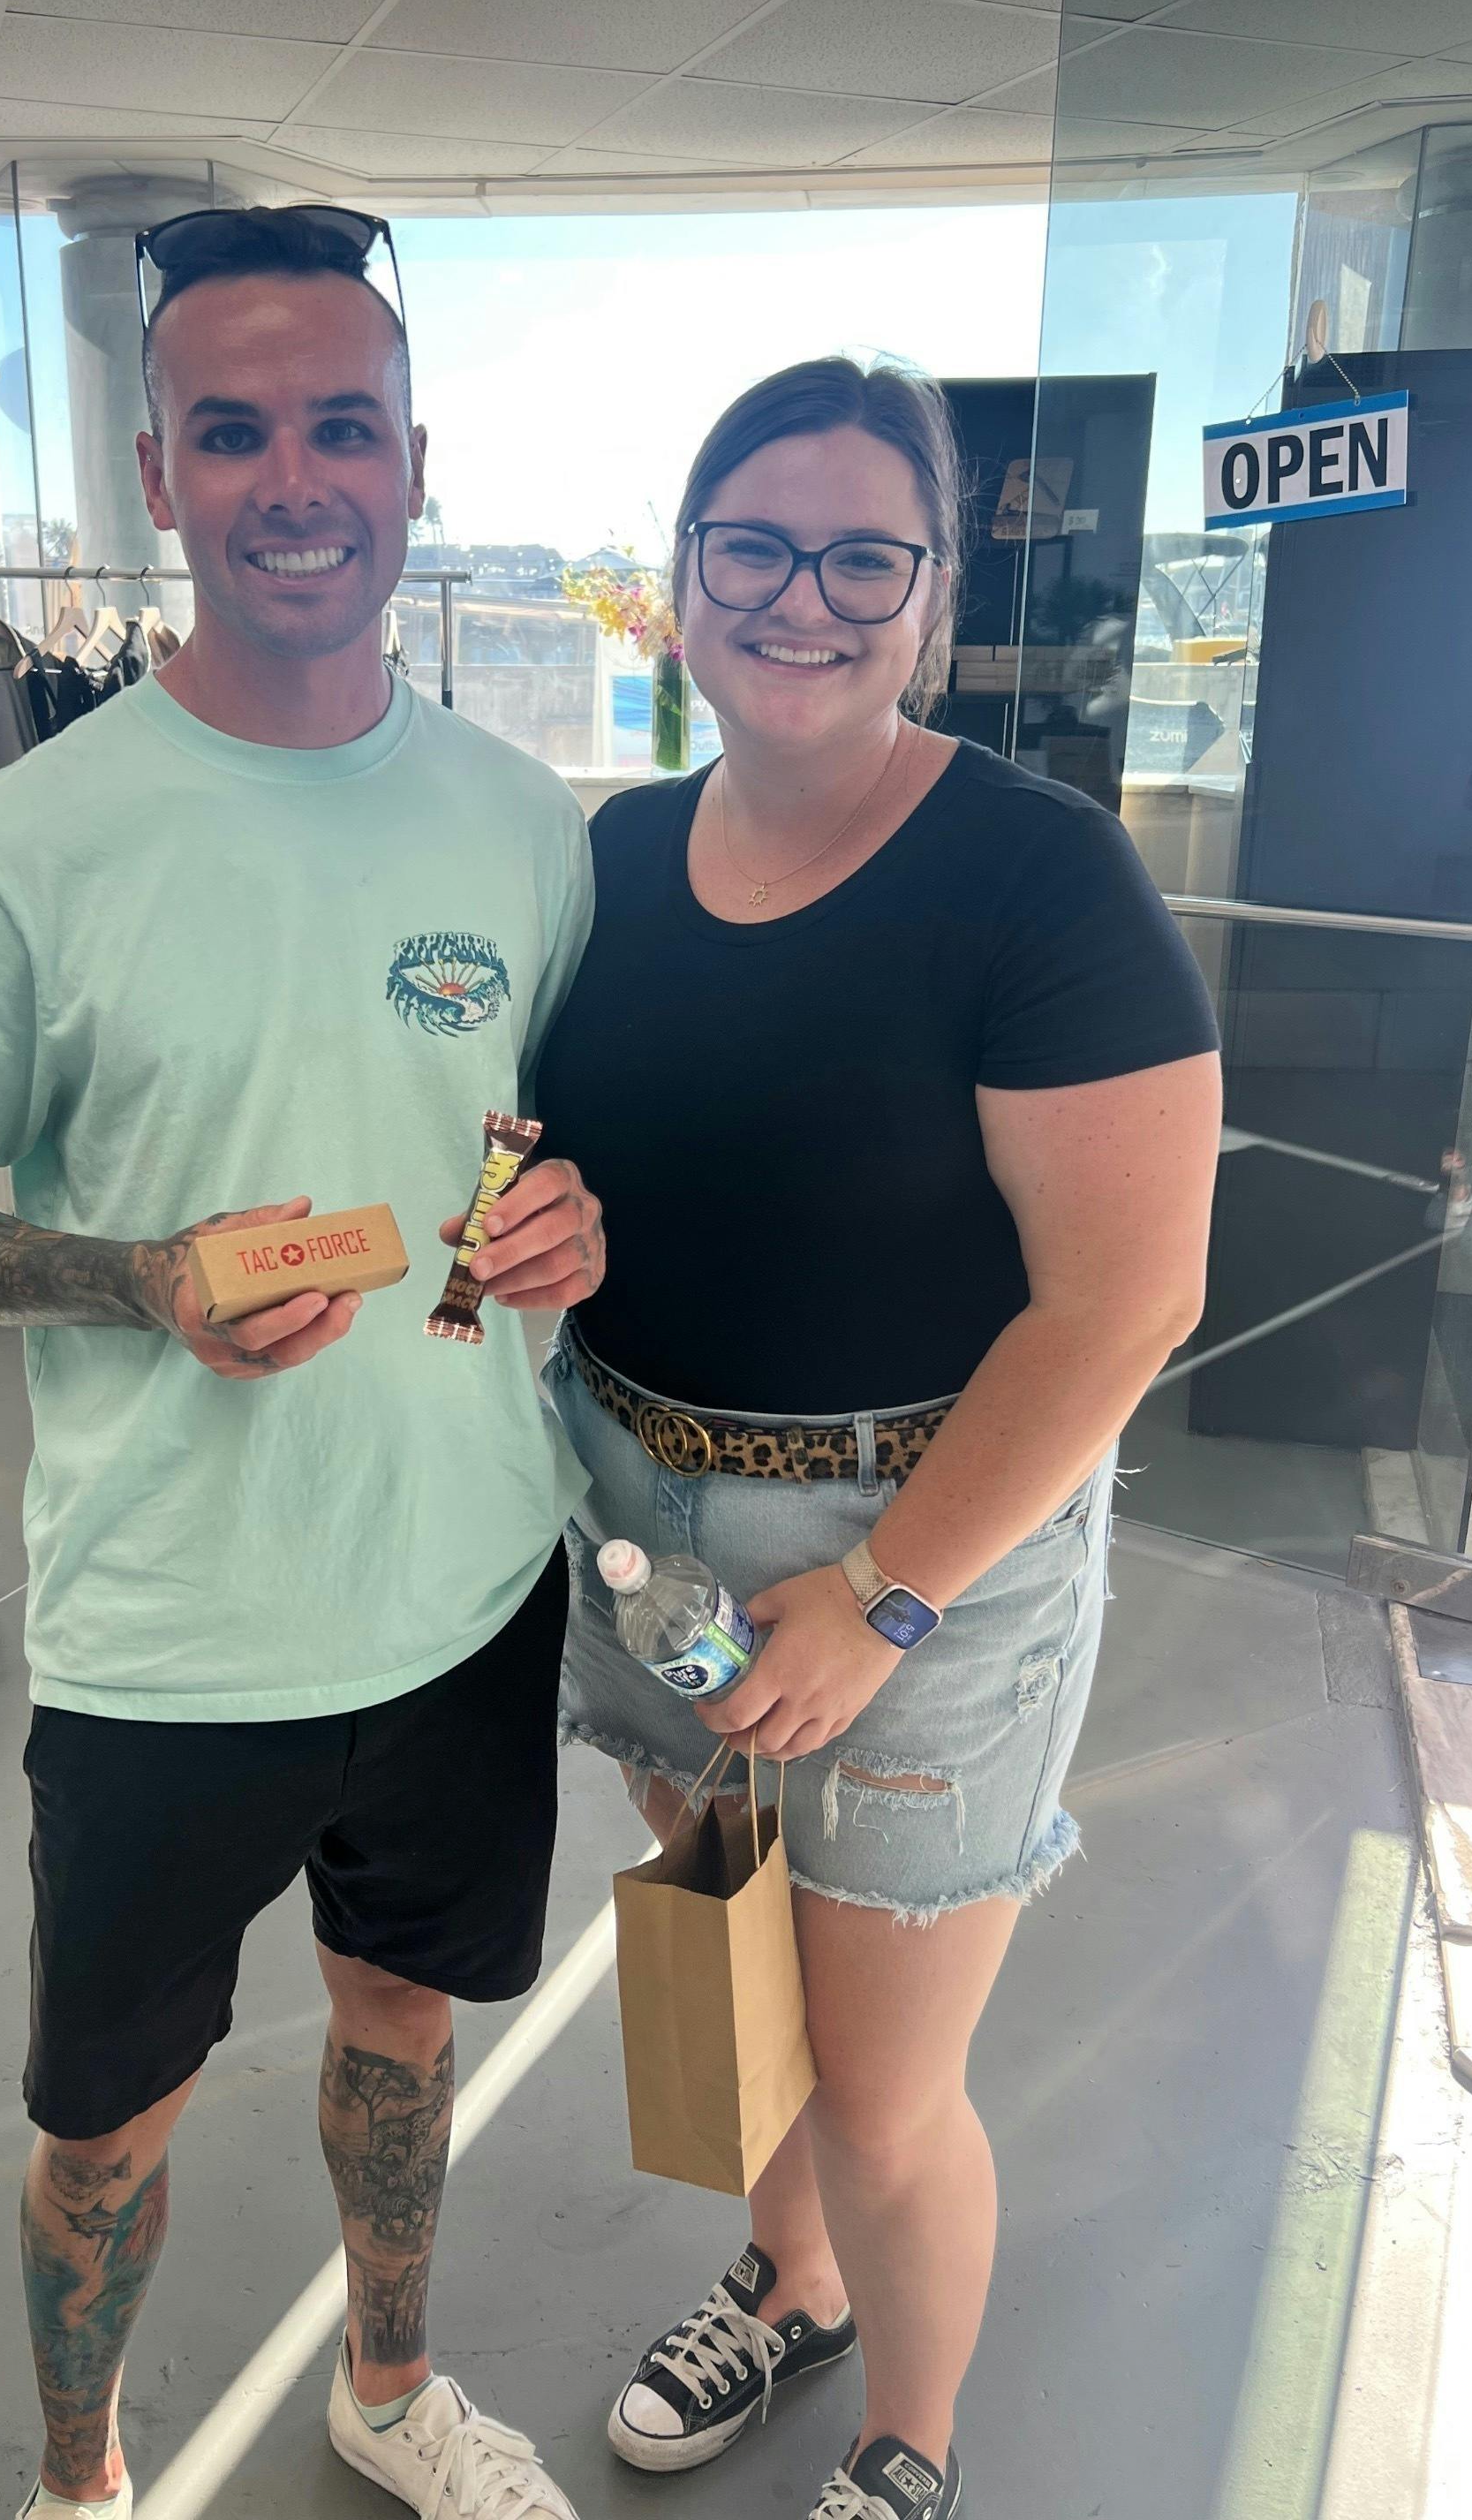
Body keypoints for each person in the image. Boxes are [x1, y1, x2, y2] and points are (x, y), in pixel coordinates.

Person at [0, 206, 607, 2520]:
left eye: (343, 426)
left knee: (405, 2020)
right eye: (236, 430)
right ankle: (81, 2483)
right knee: (107, 2121)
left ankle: (388, 2386)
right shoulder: (20, 848)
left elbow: (522, 1154)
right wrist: (141, 1281)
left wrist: (567, 1232)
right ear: (161, 472)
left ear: (413, 462)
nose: (297, 480)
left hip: (464, 1584)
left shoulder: (522, 825)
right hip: (174, 1633)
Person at [532, 357, 1222, 2520]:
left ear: (932, 598)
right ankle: (794, 2282)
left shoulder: (1039, 879)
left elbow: (1127, 1302)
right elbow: (574, 1163)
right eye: (754, 546)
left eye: (864, 559)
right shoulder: (614, 859)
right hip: (640, 1512)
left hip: (919, 1540)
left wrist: (888, 1590)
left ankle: (910, 2446)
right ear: (681, 576)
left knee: (883, 2082)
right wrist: (534, 1230)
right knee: (736, 1963)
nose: (801, 599)